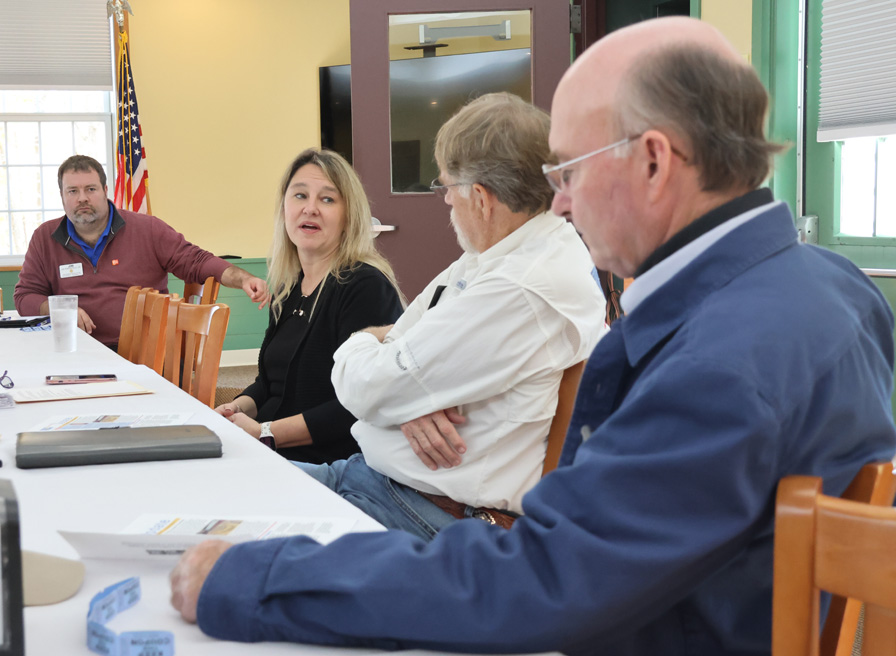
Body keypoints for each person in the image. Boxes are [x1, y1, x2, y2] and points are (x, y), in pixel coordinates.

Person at [169, 18, 896, 655]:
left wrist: (259, 580)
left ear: (652, 161)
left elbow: (545, 580)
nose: (560, 201)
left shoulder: (720, 363)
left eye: (570, 170)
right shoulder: (836, 285)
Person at [289, 92, 606, 538]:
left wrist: (387, 371)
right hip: (380, 481)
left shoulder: (521, 285)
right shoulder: (501, 253)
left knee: (227, 540)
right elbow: (392, 366)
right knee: (230, 488)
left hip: (419, 514)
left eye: (446, 187)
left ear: (480, 198)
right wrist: (408, 397)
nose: (444, 201)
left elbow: (368, 388)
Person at [214, 149, 404, 464]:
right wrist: (239, 407)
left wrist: (265, 432)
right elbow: (270, 381)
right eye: (300, 195)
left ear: (349, 216)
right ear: (284, 208)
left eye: (327, 199)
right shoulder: (290, 287)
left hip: (331, 464)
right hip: (274, 451)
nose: (310, 208)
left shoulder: (365, 287)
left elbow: (358, 405)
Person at [14, 155, 268, 349]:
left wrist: (244, 278)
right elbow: (25, 297)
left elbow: (197, 261)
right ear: (62, 196)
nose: (82, 198)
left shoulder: (148, 230)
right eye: (73, 191)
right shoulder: (45, 238)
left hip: (145, 355)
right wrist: (58, 308)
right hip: (78, 352)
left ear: (105, 191)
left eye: (90, 189)